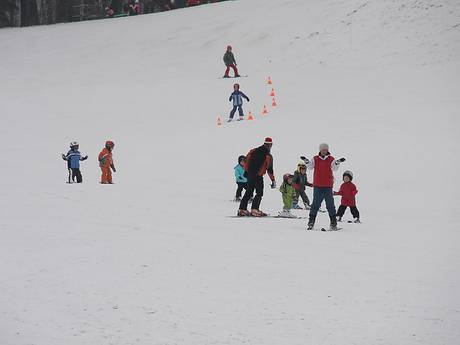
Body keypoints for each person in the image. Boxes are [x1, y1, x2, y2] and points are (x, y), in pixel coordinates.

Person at [301, 143, 345, 230]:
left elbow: (334, 168)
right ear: (320, 150)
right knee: (315, 205)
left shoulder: (331, 159)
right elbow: (310, 167)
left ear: (327, 150)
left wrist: (337, 162)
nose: (324, 151)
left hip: (328, 186)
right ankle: (311, 222)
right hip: (318, 186)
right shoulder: (315, 158)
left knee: (330, 205)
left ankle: (333, 223)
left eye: (325, 150)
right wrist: (306, 161)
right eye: (323, 150)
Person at [238, 137, 276, 217]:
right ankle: (255, 209)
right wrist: (273, 180)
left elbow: (246, 161)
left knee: (248, 192)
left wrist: (246, 172)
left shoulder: (253, 151)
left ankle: (242, 209)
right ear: (271, 145)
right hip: (258, 176)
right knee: (259, 193)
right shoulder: (268, 156)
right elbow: (269, 169)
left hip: (250, 175)